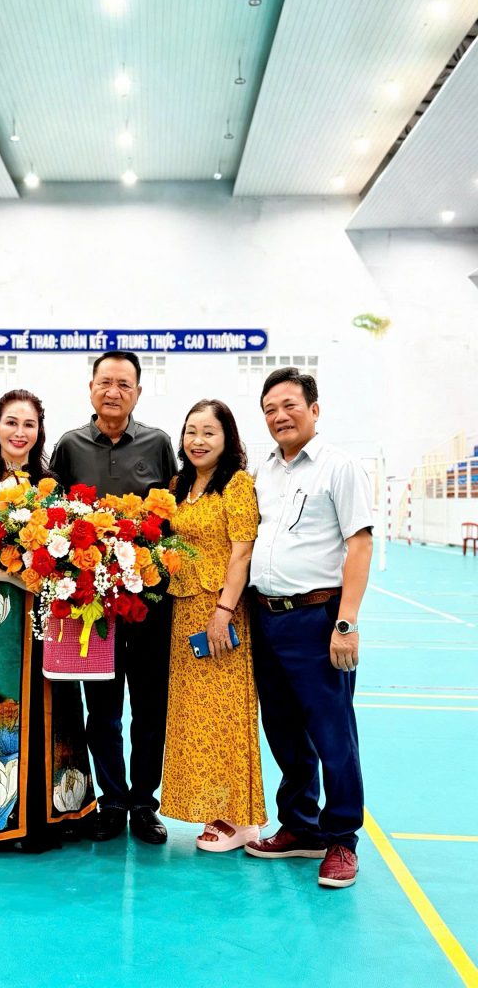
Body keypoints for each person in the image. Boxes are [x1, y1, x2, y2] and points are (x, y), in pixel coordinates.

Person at [0, 389, 97, 852]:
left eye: (28, 424)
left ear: (39, 431)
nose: (19, 432)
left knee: (57, 706)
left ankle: (55, 815)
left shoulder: (50, 486)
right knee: (1, 711)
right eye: (11, 422)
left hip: (50, 616)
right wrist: (14, 574)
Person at [245, 367, 373, 889]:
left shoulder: (340, 468)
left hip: (318, 618)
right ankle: (301, 826)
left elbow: (360, 544)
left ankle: (341, 839)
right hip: (265, 617)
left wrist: (346, 622)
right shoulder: (263, 472)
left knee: (332, 733)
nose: (280, 416)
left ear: (314, 410)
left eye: (289, 405)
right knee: (282, 730)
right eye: (270, 410)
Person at [50, 351, 178, 844]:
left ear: (138, 392)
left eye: (124, 384)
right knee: (101, 710)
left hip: (148, 603)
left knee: (148, 707)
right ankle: (112, 800)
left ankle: (144, 803)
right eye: (105, 382)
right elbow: (54, 517)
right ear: (91, 388)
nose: (114, 392)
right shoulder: (69, 446)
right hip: (91, 605)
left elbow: (173, 517)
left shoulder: (158, 443)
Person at [161, 399, 267, 850]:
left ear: (227, 438)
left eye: (209, 432)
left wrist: (223, 611)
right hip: (183, 609)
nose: (198, 440)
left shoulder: (237, 484)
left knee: (227, 714)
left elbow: (242, 552)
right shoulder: (179, 484)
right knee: (195, 717)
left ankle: (241, 818)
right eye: (191, 431)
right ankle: (213, 808)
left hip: (220, 610)